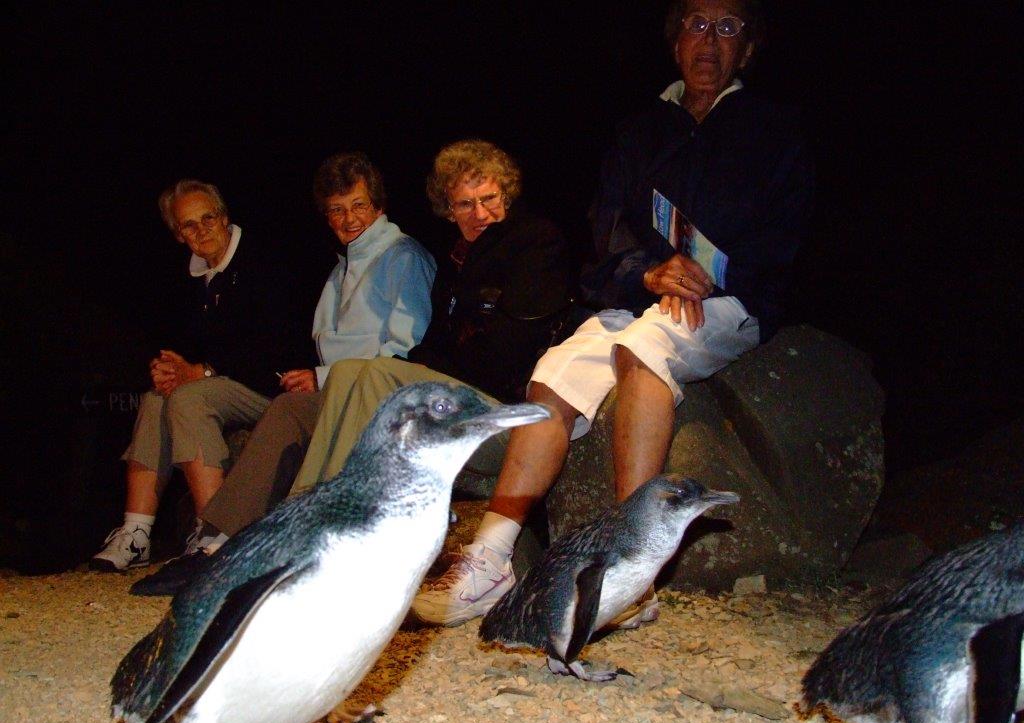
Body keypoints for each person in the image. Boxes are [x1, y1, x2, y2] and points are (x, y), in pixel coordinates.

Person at [412, 0, 814, 626]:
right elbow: (606, 237)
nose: (710, 41)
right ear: (675, 39)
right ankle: (491, 558)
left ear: (749, 48)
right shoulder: (640, 131)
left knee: (645, 348)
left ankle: (631, 572)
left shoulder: (773, 129)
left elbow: (784, 237)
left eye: (729, 27)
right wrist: (648, 272)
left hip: (728, 300)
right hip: (646, 295)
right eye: (696, 24)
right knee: (555, 372)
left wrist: (707, 274)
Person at [130, 152, 436, 590]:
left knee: (287, 412)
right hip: (337, 391)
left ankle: (225, 544)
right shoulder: (342, 265)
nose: (349, 218)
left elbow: (406, 351)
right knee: (279, 407)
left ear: (379, 205)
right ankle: (207, 542)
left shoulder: (402, 256)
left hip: (380, 396)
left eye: (358, 205)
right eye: (336, 209)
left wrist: (323, 378)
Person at [288, 138, 575, 497]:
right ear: (449, 210)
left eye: (489, 199)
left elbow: (503, 357)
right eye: (465, 204)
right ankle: (304, 504)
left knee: (377, 372)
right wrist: (432, 363)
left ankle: (333, 513)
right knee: (348, 371)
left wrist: (434, 366)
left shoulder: (535, 243)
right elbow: (432, 344)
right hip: (457, 395)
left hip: (504, 411)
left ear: (506, 194)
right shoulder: (457, 261)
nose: (481, 214)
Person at [90, 179, 297, 571]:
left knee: (188, 396)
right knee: (158, 397)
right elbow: (179, 343)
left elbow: (274, 346)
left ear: (225, 217)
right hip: (222, 385)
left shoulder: (263, 261)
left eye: (208, 218)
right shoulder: (191, 277)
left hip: (273, 385)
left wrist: (199, 371)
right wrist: (167, 367)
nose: (202, 230)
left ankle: (217, 531)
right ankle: (136, 532)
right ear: (178, 234)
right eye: (189, 225)